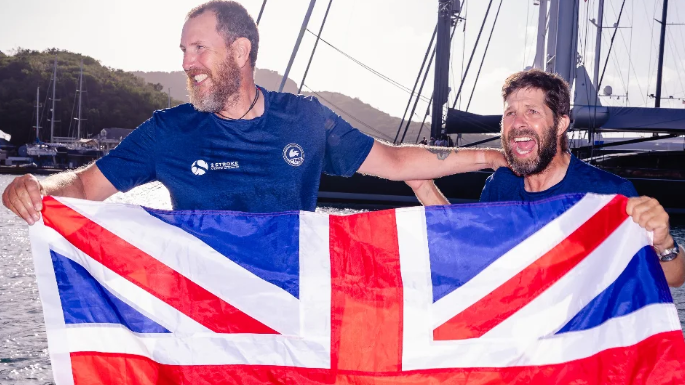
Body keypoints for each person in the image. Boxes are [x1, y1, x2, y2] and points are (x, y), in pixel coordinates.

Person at [3, 0, 505, 223]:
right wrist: (35, 188)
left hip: (287, 320)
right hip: (201, 321)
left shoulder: (305, 120)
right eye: (182, 51)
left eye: (199, 49)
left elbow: (395, 162)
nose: (186, 64)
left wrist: (490, 159)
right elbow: (86, 187)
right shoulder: (167, 132)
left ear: (240, 53)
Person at [408, 69, 685, 287]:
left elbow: (673, 278)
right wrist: (424, 188)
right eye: (510, 113)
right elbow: (473, 256)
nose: (518, 123)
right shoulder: (501, 186)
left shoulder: (609, 194)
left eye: (532, 111)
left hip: (576, 349)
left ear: (561, 124)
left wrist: (664, 243)